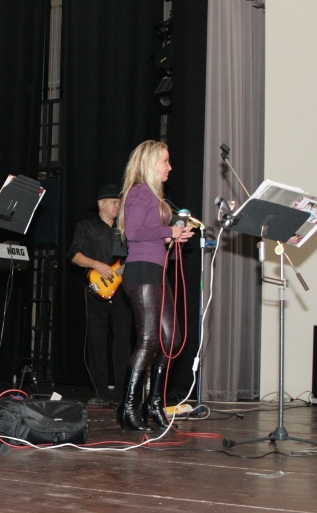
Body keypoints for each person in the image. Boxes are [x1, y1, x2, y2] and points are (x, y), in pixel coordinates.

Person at [117, 140, 193, 432]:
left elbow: (150, 233)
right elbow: (134, 232)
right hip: (142, 271)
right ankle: (127, 408)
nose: (169, 167)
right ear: (150, 163)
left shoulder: (153, 196)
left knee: (171, 339)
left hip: (157, 272)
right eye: (165, 161)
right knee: (149, 339)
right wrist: (170, 230)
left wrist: (171, 237)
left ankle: (154, 403)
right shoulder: (139, 192)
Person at [68, 183, 132, 406]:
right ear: (101, 204)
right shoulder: (86, 227)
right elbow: (74, 255)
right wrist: (96, 264)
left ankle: (121, 394)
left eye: (119, 203)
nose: (118, 206)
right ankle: (101, 393)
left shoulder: (125, 229)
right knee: (97, 343)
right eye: (114, 202)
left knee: (123, 343)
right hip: (96, 291)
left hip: (122, 294)